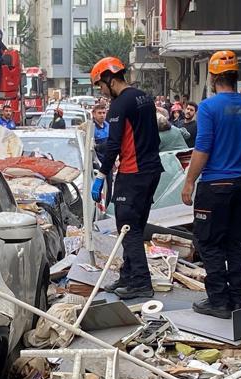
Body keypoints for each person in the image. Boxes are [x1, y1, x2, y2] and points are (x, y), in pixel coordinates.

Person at [180, 50, 241, 319]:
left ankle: (219, 300)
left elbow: (203, 148)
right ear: (234, 75)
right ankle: (236, 299)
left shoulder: (209, 108)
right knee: (235, 243)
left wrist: (189, 181)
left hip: (215, 186)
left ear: (212, 77)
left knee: (209, 243)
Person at [90, 56, 162, 300]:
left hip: (133, 173)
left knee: (128, 228)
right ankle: (128, 276)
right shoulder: (145, 98)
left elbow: (114, 144)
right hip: (151, 171)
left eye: (101, 85)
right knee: (136, 226)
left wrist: (101, 174)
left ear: (110, 80)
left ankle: (140, 283)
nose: (101, 91)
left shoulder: (120, 105)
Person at [92, 103, 112, 204]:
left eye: (104, 113)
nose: (102, 115)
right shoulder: (91, 128)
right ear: (94, 114)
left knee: (109, 188)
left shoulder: (108, 126)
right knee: (98, 191)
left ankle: (106, 207)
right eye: (99, 113)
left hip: (108, 162)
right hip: (96, 165)